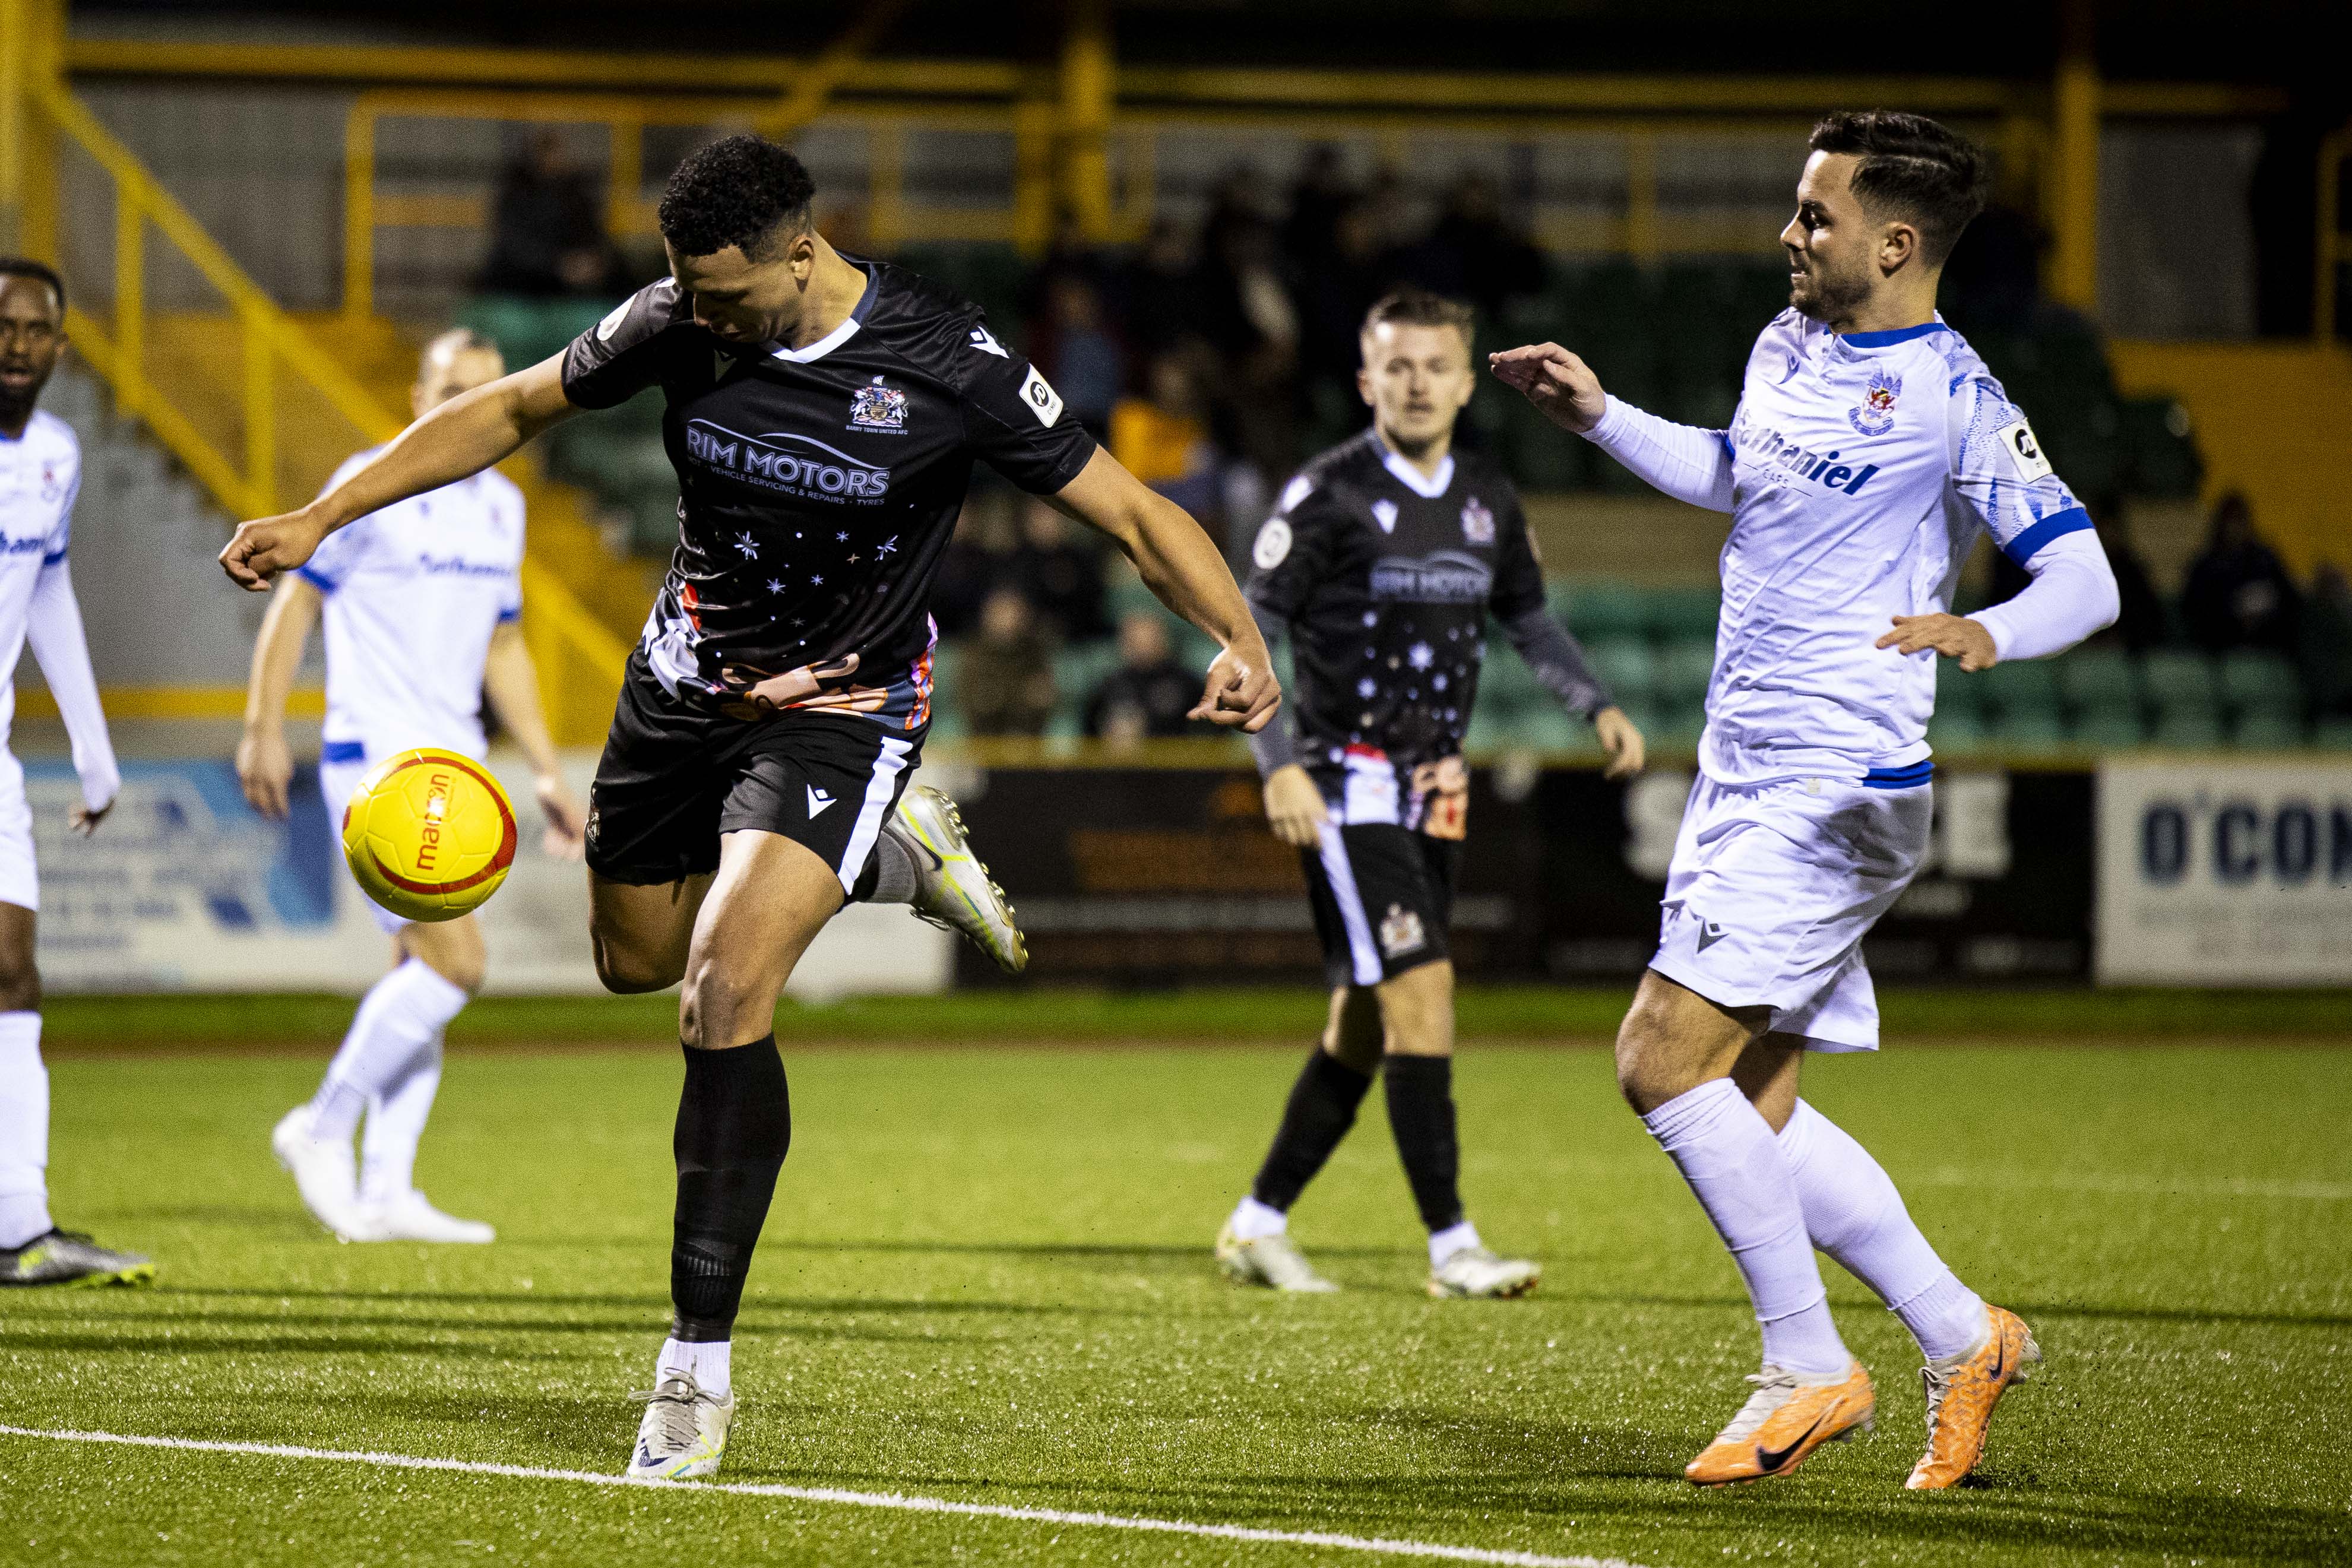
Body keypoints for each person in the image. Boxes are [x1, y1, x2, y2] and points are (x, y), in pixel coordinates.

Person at [217, 135, 1278, 1483]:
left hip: (839, 714)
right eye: (682, 293)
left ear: (800, 250)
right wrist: (323, 512)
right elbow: (508, 413)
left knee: (717, 992)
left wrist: (1236, 638)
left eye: (719, 296)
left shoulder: (945, 360)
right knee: (633, 961)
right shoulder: (676, 317)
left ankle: (691, 1372)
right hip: (676, 692)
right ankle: (894, 859)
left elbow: (1128, 511)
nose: (697, 317)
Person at [1493, 110, 2118, 1490]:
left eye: (1812, 216)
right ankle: (1965, 1336)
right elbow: (1738, 472)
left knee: (1658, 1059)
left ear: (1893, 244)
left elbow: (2080, 574)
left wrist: (1987, 632)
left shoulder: (1954, 395)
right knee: (1749, 1097)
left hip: (1836, 782)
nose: (1787, 234)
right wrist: (1599, 417)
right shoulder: (1786, 345)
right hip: (1746, 766)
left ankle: (1803, 1365)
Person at [1218, 288, 1644, 1300]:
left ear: (1463, 380)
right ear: (1367, 381)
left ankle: (1255, 1223)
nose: (1414, 383)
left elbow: (1529, 620)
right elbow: (1246, 632)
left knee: (1363, 1027)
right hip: (1344, 786)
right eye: (1395, 367)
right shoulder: (1323, 496)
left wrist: (1598, 705)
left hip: (1435, 790)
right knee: (1425, 995)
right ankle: (1453, 1246)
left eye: (1433, 366)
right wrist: (1277, 765)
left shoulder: (1490, 497)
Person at [237, 329, 585, 1244]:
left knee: (419, 969)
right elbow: (296, 602)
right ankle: (319, 1127)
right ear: (417, 397)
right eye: (447, 390)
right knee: (458, 963)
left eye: (480, 391)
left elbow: (503, 646)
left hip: (458, 772)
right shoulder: (372, 483)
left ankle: (388, 1185)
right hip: (376, 763)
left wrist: (546, 768)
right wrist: (262, 728)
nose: (462, 405)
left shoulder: (503, 508)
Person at [0, 258, 146, 1288]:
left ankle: (19, 1226)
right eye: (1, 325)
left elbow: (45, 590)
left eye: (35, 327)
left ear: (61, 342)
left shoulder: (55, 454)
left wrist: (92, 750)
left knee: (13, 973)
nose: (17, 343)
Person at [2181, 492, 2300, 654]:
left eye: (2240, 520)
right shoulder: (2207, 565)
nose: (2236, 528)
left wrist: (2265, 608)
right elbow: (2194, 609)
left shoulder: (2265, 559)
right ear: (2221, 525)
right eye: (2231, 521)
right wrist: (2233, 610)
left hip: (2269, 638)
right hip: (2223, 642)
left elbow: (2290, 598)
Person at [1083, 610, 1198, 743]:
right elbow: (1089, 729)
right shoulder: (1112, 683)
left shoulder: (1185, 682)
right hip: (1124, 760)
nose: (1142, 646)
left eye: (1149, 638)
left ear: (1162, 640)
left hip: (1174, 759)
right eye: (1134, 639)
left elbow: (1212, 728)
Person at [961, 587, 1059, 737]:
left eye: (1013, 613)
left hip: (1029, 738)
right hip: (984, 739)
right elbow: (975, 703)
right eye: (1001, 613)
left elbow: (1043, 697)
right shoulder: (975, 654)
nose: (1008, 620)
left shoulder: (1035, 653)